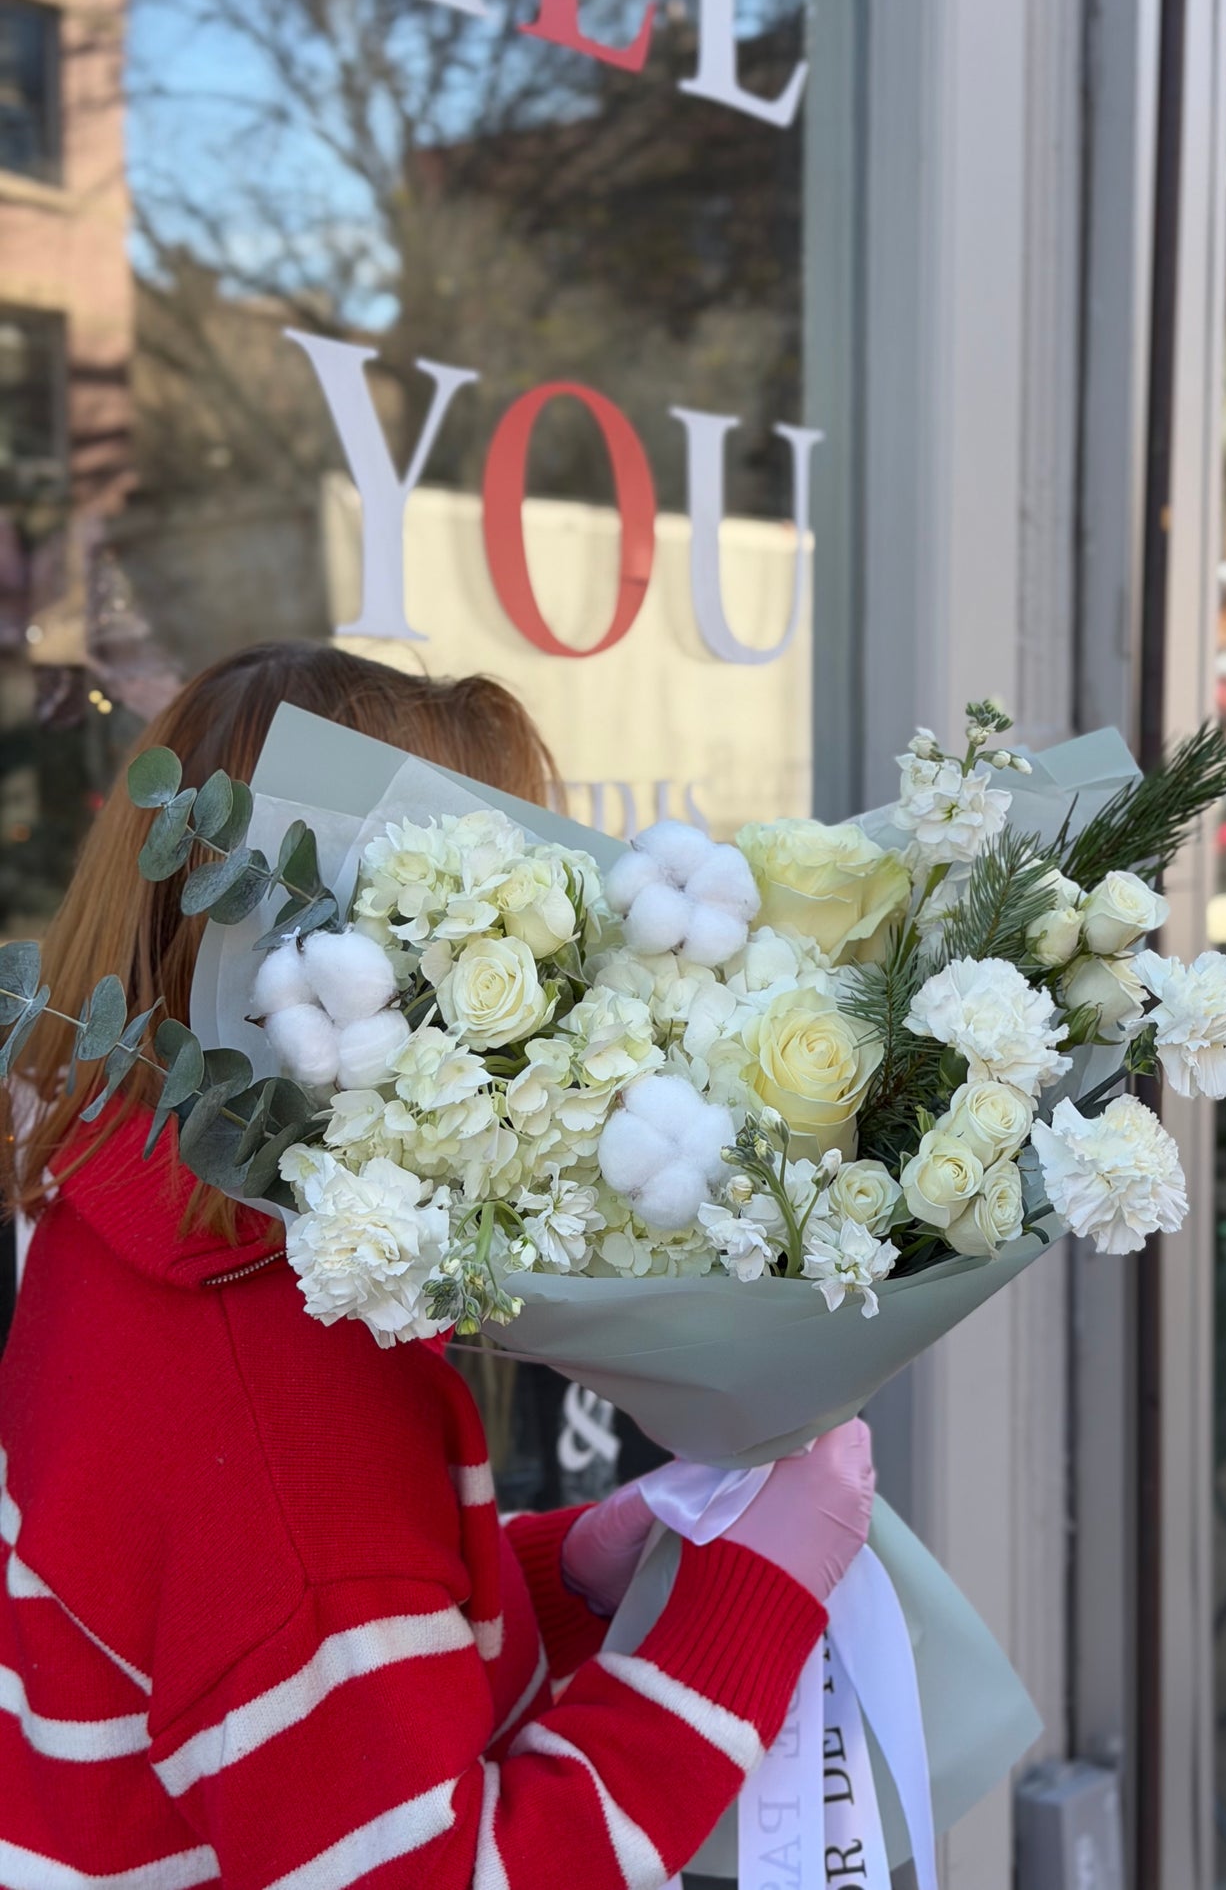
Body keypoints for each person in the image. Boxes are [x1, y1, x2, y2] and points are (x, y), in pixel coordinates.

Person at [0, 643, 875, 1889]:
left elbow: (290, 1672)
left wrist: (562, 1574)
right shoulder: (278, 1395)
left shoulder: (131, 1232)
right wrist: (741, 1610)